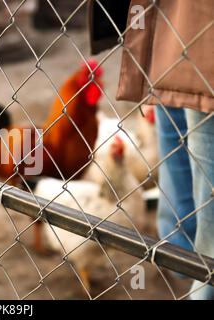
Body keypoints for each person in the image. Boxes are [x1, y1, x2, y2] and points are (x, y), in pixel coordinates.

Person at [89, 0, 213, 299]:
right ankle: (184, 260)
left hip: (187, 30)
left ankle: (193, 269)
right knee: (178, 128)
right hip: (176, 26)